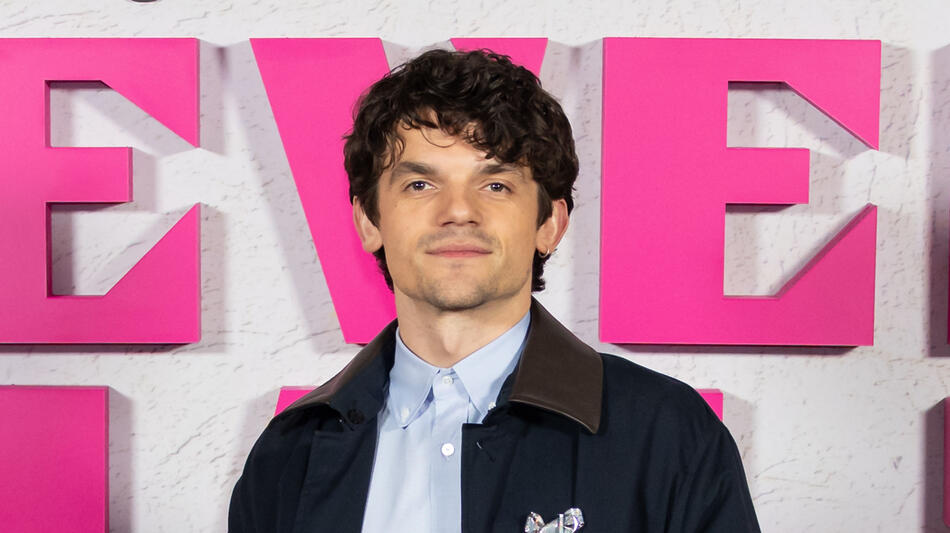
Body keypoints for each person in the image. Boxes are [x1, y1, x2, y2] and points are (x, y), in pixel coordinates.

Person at [228, 48, 760, 533]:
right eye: (420, 184)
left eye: (495, 185)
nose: (458, 211)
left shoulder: (667, 436)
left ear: (549, 224)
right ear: (370, 221)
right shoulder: (287, 455)